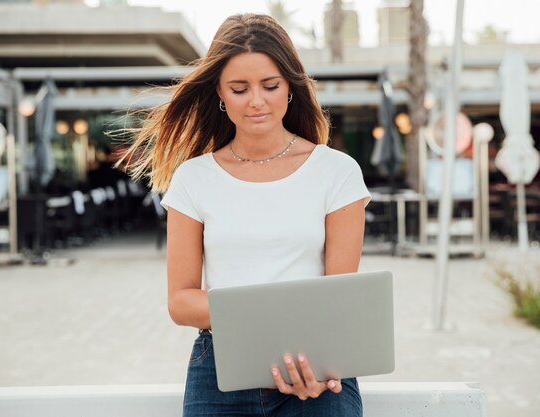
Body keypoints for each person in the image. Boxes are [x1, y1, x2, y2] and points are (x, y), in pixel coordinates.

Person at [119, 13, 371, 417]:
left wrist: (308, 354)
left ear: (290, 86)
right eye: (239, 88)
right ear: (219, 92)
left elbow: (337, 301)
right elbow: (181, 302)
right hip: (221, 368)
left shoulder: (337, 172)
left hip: (316, 370)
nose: (256, 101)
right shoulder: (193, 179)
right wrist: (263, 316)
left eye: (270, 86)